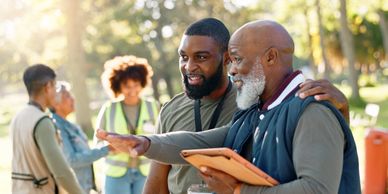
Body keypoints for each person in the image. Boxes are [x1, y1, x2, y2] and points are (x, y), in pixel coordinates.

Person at [97, 20, 361, 194]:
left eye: (236, 59)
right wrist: (144, 143)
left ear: (270, 57)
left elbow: (316, 189)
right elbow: (202, 142)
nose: (231, 69)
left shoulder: (312, 109)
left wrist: (238, 190)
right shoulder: (256, 110)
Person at [10, 64, 84, 194]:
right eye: (55, 87)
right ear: (48, 86)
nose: (56, 92)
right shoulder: (42, 121)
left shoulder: (18, 117)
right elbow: (61, 172)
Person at [96, 55, 159, 194]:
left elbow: (162, 138)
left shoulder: (154, 107)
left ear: (142, 83)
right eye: (126, 86)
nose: (132, 90)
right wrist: (111, 147)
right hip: (116, 175)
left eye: (135, 85)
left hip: (146, 172)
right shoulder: (109, 108)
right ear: (118, 85)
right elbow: (97, 142)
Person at [51, 81, 112, 193]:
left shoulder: (72, 125)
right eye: (67, 96)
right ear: (56, 103)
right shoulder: (56, 127)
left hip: (84, 187)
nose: (73, 99)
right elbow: (72, 160)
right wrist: (107, 150)